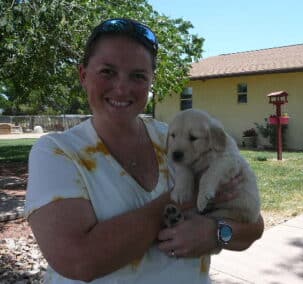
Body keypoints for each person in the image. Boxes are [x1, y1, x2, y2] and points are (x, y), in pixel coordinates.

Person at [25, 18, 264, 283]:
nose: (122, 87)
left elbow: (253, 224)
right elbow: (79, 261)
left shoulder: (173, 137)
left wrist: (216, 233)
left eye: (138, 76)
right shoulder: (57, 152)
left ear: (151, 83)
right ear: (83, 75)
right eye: (107, 71)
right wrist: (183, 197)